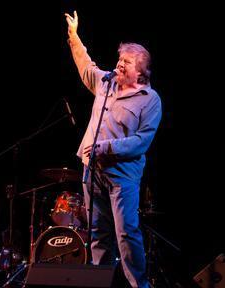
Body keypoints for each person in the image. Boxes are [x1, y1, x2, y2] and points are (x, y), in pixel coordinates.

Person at [65, 11, 162, 287]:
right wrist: (74, 37)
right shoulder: (106, 83)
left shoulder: (150, 100)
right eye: (120, 59)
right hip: (91, 173)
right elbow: (86, 67)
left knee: (126, 234)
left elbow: (142, 141)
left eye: (127, 62)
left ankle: (138, 284)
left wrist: (106, 147)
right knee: (97, 234)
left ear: (140, 72)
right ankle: (100, 281)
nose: (119, 64)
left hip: (122, 176)